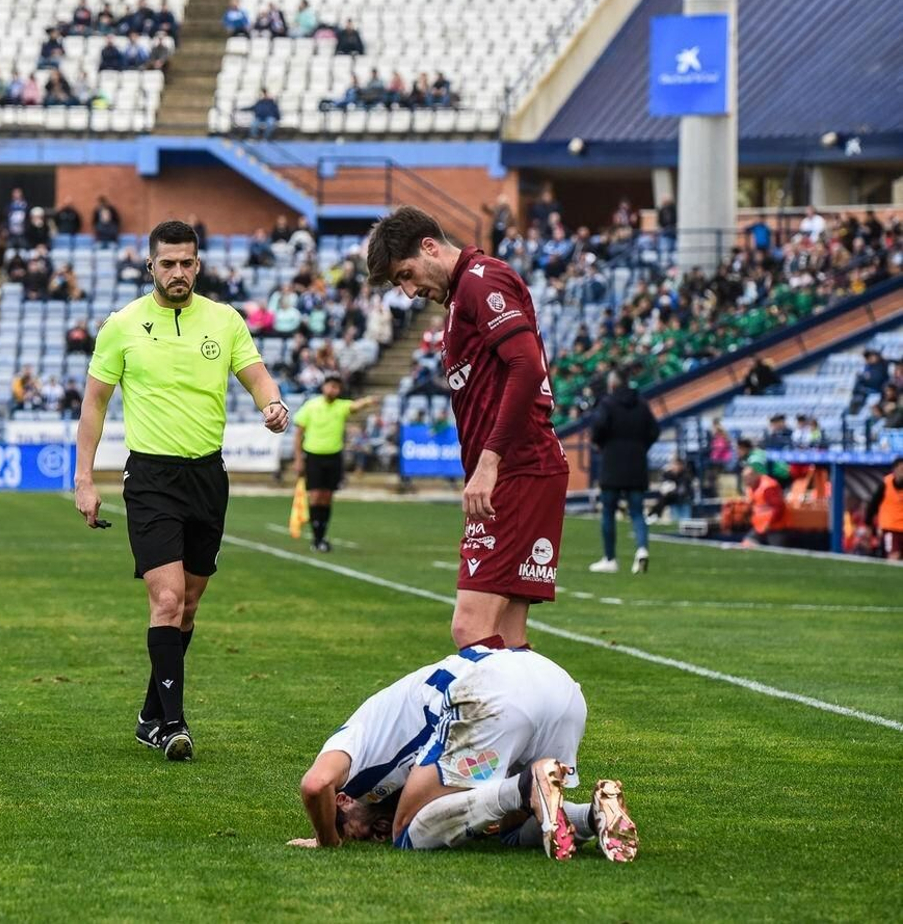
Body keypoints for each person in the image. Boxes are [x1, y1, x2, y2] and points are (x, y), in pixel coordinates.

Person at [74, 220, 290, 761]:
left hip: (207, 478)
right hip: (150, 478)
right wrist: (84, 478)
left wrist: (273, 402)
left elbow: (257, 373)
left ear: (199, 264)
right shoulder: (122, 326)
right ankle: (174, 725)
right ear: (150, 266)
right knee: (166, 598)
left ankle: (151, 712)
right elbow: (94, 404)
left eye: (186, 262)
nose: (177, 272)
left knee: (188, 606)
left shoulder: (225, 320)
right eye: (167, 263)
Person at [367, 205, 568, 649]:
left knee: (471, 629)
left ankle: (495, 720)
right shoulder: (461, 296)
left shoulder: (482, 280)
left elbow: (526, 366)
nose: (408, 290)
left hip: (518, 469)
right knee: (508, 634)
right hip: (521, 469)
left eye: (405, 274)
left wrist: (489, 463)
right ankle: (529, 721)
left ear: (429, 247)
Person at [290, 642, 637, 863]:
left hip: (492, 695)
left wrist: (327, 842)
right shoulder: (388, 756)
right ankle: (596, 815)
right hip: (561, 688)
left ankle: (524, 785)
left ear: (344, 801)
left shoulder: (352, 744)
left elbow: (316, 785)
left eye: (351, 830)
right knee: (515, 832)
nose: (372, 837)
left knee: (406, 834)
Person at [291, 375, 377, 551]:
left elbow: (355, 406)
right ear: (324, 387)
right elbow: (298, 433)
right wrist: (298, 459)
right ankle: (316, 537)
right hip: (313, 456)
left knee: (327, 497)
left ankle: (322, 536)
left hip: (333, 456)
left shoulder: (340, 406)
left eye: (336, 387)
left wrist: (369, 401)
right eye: (330, 386)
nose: (333, 390)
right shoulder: (311, 406)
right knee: (315, 496)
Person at [587, 370, 659, 574]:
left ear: (612, 385)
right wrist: (640, 447)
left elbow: (598, 428)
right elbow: (654, 431)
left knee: (608, 511)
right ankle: (642, 549)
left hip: (612, 463)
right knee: (637, 512)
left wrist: (601, 443)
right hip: (637, 464)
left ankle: (610, 558)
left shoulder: (607, 404)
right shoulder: (642, 404)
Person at [741, 450, 786, 546]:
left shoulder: (769, 486)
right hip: (759, 527)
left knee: (776, 554)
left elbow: (779, 508)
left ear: (754, 474)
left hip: (774, 528)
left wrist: (768, 523)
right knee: (746, 545)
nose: (745, 482)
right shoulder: (751, 487)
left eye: (747, 478)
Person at [865, 457, 903, 560]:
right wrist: (869, 524)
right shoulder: (885, 484)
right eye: (900, 469)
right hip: (890, 528)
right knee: (893, 556)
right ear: (894, 470)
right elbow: (873, 504)